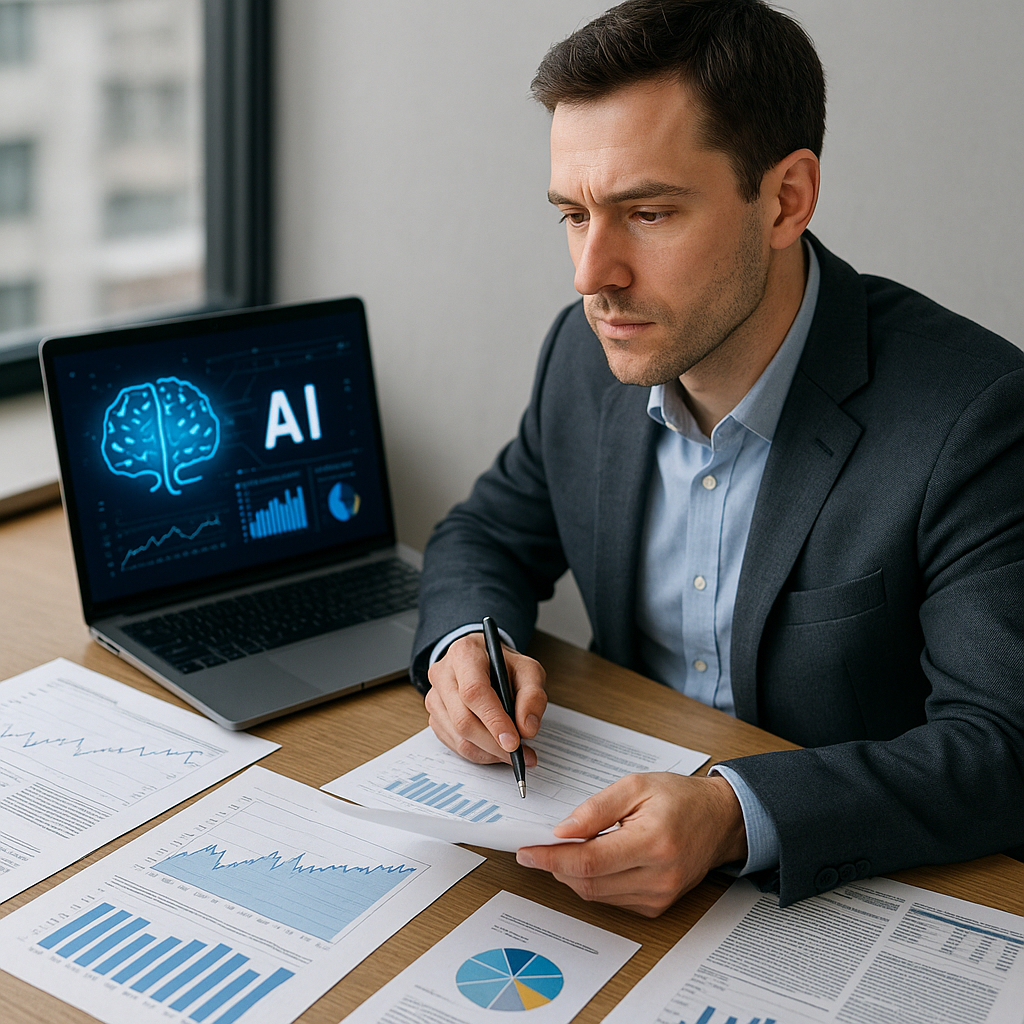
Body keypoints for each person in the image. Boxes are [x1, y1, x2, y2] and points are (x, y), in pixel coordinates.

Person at [409, 0, 1024, 916]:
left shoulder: (976, 415)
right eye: (573, 215)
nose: (592, 274)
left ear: (786, 200)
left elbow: (1000, 745)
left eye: (647, 212)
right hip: (599, 868)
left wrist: (734, 814)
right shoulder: (585, 355)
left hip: (837, 891)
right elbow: (488, 530)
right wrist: (467, 645)